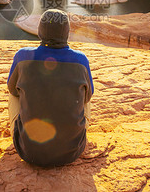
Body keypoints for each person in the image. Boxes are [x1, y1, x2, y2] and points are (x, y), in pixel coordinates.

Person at [7, 9, 94, 167]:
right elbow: (87, 98)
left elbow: (12, 90)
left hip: (29, 152)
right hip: (72, 151)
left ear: (40, 31)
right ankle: (72, 133)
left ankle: (20, 133)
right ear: (66, 32)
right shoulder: (81, 60)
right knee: (85, 94)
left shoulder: (22, 56)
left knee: (14, 93)